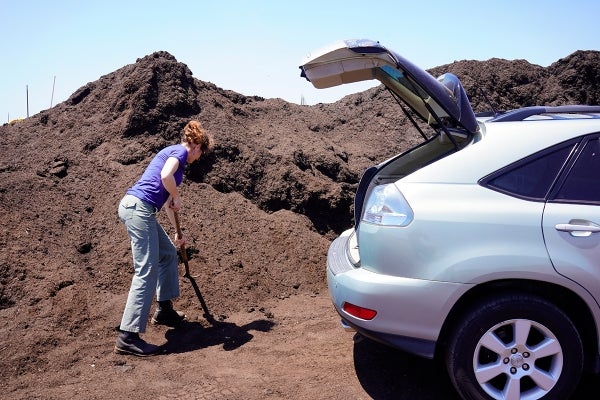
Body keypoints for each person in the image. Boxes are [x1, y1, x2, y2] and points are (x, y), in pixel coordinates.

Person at [114, 120, 214, 357]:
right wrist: (177, 195)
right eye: (201, 153)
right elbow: (165, 175)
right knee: (146, 269)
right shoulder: (179, 152)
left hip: (143, 210)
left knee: (168, 253)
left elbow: (169, 203)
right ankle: (127, 336)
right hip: (138, 208)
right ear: (197, 146)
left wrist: (177, 231)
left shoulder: (177, 162)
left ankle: (165, 310)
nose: (198, 158)